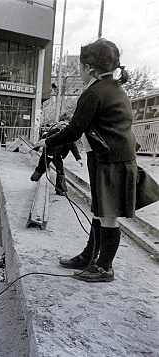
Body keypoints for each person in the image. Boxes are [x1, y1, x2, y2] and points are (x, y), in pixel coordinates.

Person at [34, 38, 137, 283]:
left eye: (80, 67)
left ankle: (104, 268)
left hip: (111, 160)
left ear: (89, 68)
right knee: (100, 211)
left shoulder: (94, 92)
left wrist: (45, 142)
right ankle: (89, 256)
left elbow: (74, 131)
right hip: (113, 158)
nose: (78, 72)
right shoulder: (113, 89)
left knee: (107, 215)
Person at [30, 115, 83, 195]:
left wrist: (78, 158)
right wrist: (35, 149)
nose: (64, 126)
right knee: (41, 167)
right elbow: (42, 139)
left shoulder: (68, 136)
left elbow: (73, 147)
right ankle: (35, 176)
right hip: (47, 153)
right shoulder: (53, 132)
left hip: (57, 155)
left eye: (66, 125)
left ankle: (61, 189)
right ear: (58, 123)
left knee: (60, 171)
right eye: (62, 124)